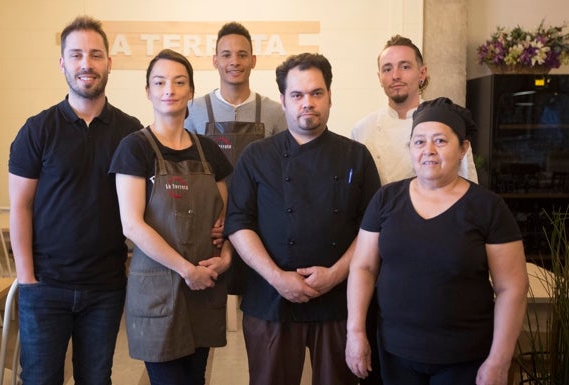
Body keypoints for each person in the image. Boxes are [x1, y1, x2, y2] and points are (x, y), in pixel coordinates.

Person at [346, 97, 529, 385]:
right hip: (394, 353)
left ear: (463, 149)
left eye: (440, 141)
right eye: (419, 142)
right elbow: (363, 268)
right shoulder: (386, 199)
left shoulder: (488, 207)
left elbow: (512, 288)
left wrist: (499, 360)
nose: (428, 150)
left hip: (465, 358)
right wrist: (355, 332)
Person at [225, 53, 382, 385]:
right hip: (270, 300)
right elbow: (238, 223)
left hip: (339, 301)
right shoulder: (256, 156)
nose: (307, 103)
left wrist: (335, 275)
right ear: (283, 100)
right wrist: (278, 278)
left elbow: (372, 229)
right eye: (297, 95)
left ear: (329, 96)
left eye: (316, 93)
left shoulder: (356, 155)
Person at [8, 16, 142, 385]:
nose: (87, 63)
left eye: (96, 54)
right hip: (45, 286)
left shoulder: (131, 133)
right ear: (63, 63)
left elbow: (147, 204)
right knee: (39, 378)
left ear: (109, 63)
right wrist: (27, 280)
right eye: (77, 54)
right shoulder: (38, 129)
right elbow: (20, 206)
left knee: (96, 379)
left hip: (106, 287)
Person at [109, 49, 233, 385]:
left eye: (179, 82)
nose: (170, 89)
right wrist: (186, 270)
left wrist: (225, 258)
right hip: (158, 290)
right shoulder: (134, 148)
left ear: (191, 91)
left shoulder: (209, 152)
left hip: (204, 285)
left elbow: (230, 217)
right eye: (160, 82)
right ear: (147, 91)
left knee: (195, 380)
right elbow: (131, 224)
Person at [184, 21, 287, 294]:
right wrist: (215, 220)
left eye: (242, 54)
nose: (234, 61)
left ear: (253, 61)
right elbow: (186, 175)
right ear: (215, 61)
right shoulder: (193, 111)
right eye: (226, 55)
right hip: (210, 228)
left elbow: (285, 172)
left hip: (261, 225)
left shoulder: (276, 113)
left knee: (259, 310)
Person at [351, 35, 478, 185]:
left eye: (405, 67)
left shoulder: (446, 124)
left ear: (422, 73)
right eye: (387, 69)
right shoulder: (362, 130)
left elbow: (468, 187)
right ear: (380, 78)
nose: (395, 76)